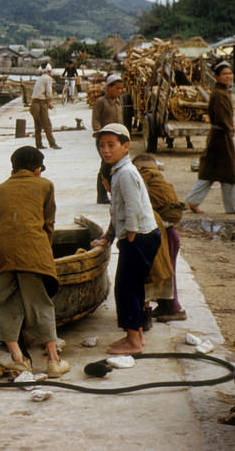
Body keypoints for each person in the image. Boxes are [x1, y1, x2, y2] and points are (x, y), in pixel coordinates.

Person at [0, 145, 70, 378]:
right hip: (33, 252)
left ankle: (18, 359)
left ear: (13, 170)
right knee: (40, 303)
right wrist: (44, 255)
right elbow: (48, 225)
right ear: (37, 170)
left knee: (1, 303)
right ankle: (54, 361)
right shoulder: (46, 185)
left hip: (1, 253)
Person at [90, 123, 162, 355]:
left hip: (139, 237)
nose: (106, 150)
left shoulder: (126, 173)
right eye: (102, 145)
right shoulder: (118, 171)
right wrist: (108, 237)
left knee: (126, 289)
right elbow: (118, 209)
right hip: (141, 236)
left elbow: (132, 208)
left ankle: (133, 342)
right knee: (133, 288)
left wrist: (129, 235)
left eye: (111, 145)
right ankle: (136, 336)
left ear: (125, 146)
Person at [186, 62, 235, 215]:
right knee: (229, 173)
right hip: (221, 137)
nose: (228, 76)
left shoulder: (222, 92)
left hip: (219, 136)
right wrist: (230, 128)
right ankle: (233, 208)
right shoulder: (219, 94)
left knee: (210, 171)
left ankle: (193, 200)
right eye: (224, 74)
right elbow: (222, 117)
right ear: (216, 77)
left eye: (230, 73)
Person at [133, 153, 187, 322]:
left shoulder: (146, 182)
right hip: (170, 235)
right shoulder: (160, 181)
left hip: (166, 237)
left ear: (139, 168)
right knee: (165, 272)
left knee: (167, 273)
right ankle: (164, 306)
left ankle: (175, 309)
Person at [92, 73, 124, 203]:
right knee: (106, 166)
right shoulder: (101, 102)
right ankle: (101, 195)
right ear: (109, 88)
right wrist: (101, 136)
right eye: (117, 88)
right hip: (105, 141)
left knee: (116, 166)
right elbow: (96, 121)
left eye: (121, 88)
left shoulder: (118, 102)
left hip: (117, 140)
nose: (120, 91)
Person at [30, 64, 60, 149]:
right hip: (40, 103)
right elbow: (49, 93)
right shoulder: (48, 79)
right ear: (49, 72)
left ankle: (38, 144)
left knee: (38, 126)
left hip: (33, 104)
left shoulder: (40, 78)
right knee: (47, 124)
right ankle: (52, 143)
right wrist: (49, 103)